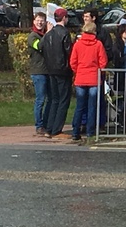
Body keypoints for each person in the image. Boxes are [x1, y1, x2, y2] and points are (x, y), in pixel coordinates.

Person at [70, 22, 108, 140]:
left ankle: (76, 132)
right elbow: (103, 62)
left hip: (81, 78)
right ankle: (90, 132)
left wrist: (78, 71)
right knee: (92, 107)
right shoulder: (98, 45)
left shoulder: (77, 45)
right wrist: (99, 71)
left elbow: (73, 62)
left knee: (80, 106)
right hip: (93, 79)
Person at [39, 8, 73, 140]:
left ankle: (49, 127)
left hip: (50, 69)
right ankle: (57, 129)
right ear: (64, 18)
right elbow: (68, 53)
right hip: (63, 71)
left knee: (54, 99)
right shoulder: (64, 33)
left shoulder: (49, 33)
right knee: (63, 100)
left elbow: (43, 48)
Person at [80, 7, 113, 132]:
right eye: (84, 17)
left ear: (94, 18)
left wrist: (101, 65)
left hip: (97, 72)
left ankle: (100, 123)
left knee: (98, 98)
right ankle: (85, 123)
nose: (85, 19)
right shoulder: (81, 33)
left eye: (87, 16)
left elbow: (109, 51)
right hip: (84, 72)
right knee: (83, 99)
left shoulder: (102, 33)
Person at [28, 12, 51, 135]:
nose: (40, 22)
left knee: (50, 99)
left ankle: (46, 123)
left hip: (47, 71)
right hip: (38, 72)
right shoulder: (32, 36)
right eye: (38, 20)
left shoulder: (43, 35)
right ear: (34, 21)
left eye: (42, 20)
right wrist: (48, 34)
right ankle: (39, 125)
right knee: (40, 99)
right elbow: (39, 46)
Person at [112, 21, 126, 132]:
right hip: (120, 76)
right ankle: (121, 120)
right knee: (122, 99)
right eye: (125, 32)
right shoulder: (117, 45)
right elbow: (118, 59)